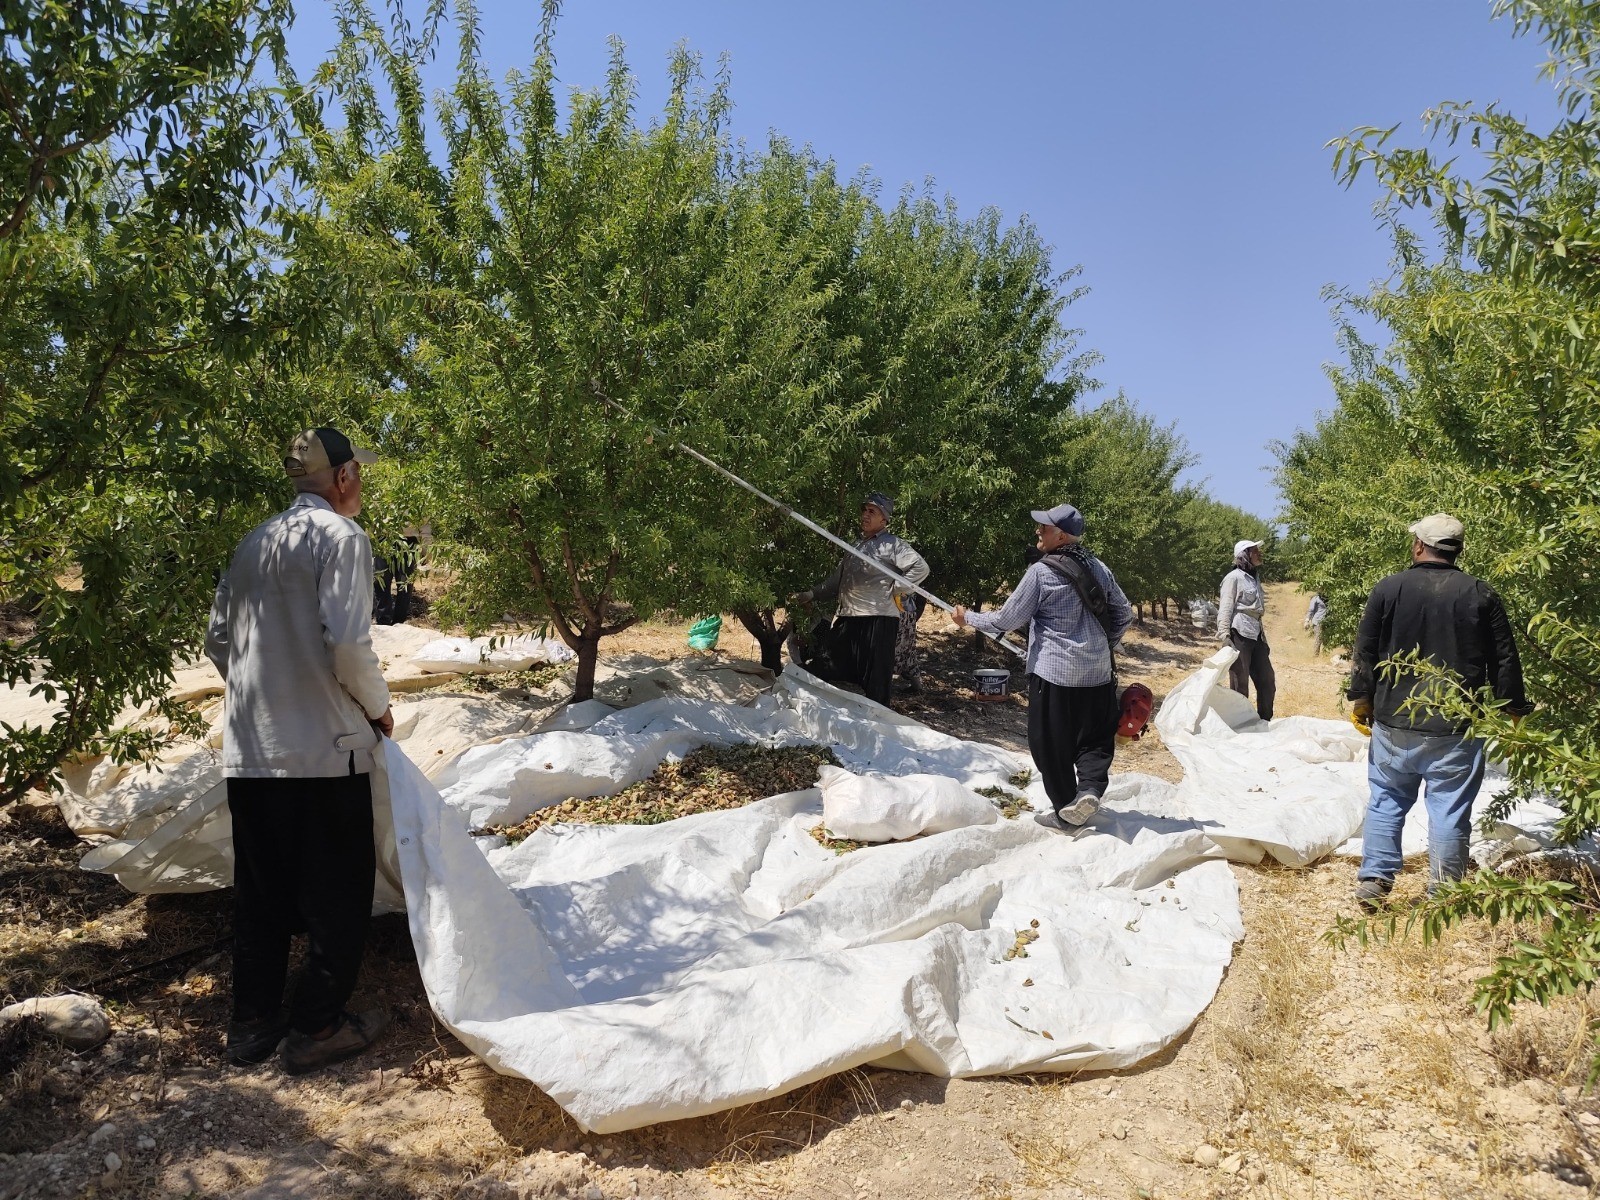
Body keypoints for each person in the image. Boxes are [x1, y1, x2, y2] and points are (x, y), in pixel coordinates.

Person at [205, 427, 394, 1073]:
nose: (360, 485)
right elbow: (346, 644)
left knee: (259, 892)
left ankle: (251, 1023)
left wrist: (266, 692)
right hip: (322, 751)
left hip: (253, 751)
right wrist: (376, 707)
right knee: (338, 894)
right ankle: (316, 1026)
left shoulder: (254, 542)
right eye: (358, 475)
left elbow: (217, 641)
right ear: (342, 478)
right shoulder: (342, 539)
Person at [1347, 514, 1532, 909]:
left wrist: (1362, 699)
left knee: (1386, 798)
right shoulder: (1480, 593)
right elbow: (1504, 659)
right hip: (1456, 727)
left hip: (1395, 719)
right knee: (1449, 808)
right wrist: (1514, 709)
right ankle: (1444, 893)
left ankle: (1375, 881)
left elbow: (1365, 649)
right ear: (1457, 549)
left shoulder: (1389, 588)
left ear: (1418, 546)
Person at [953, 504, 1132, 827]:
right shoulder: (1099, 567)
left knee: (1049, 744)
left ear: (1060, 535)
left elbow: (1008, 619)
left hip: (1055, 674)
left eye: (1044, 528)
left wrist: (968, 618)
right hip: (1097, 674)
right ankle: (1089, 789)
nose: (1038, 531)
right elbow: (1124, 613)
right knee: (1093, 738)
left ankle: (1066, 810)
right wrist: (1102, 646)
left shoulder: (1041, 572)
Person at [791, 492, 929, 707]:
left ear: (884, 520)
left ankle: (878, 724)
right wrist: (812, 594)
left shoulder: (893, 545)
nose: (865, 514)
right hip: (849, 618)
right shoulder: (855, 547)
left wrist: (898, 588)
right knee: (825, 663)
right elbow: (837, 582)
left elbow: (920, 567)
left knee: (876, 681)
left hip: (879, 620)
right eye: (864, 510)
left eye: (872, 511)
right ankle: (814, 709)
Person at [1217, 539, 1275, 720]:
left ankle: (1264, 720)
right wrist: (1224, 635)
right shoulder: (1233, 578)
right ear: (1244, 555)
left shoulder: (1254, 577)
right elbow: (1226, 606)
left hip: (1256, 634)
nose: (1259, 553)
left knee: (1267, 681)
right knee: (1239, 684)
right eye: (1254, 551)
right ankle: (1238, 724)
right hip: (1239, 633)